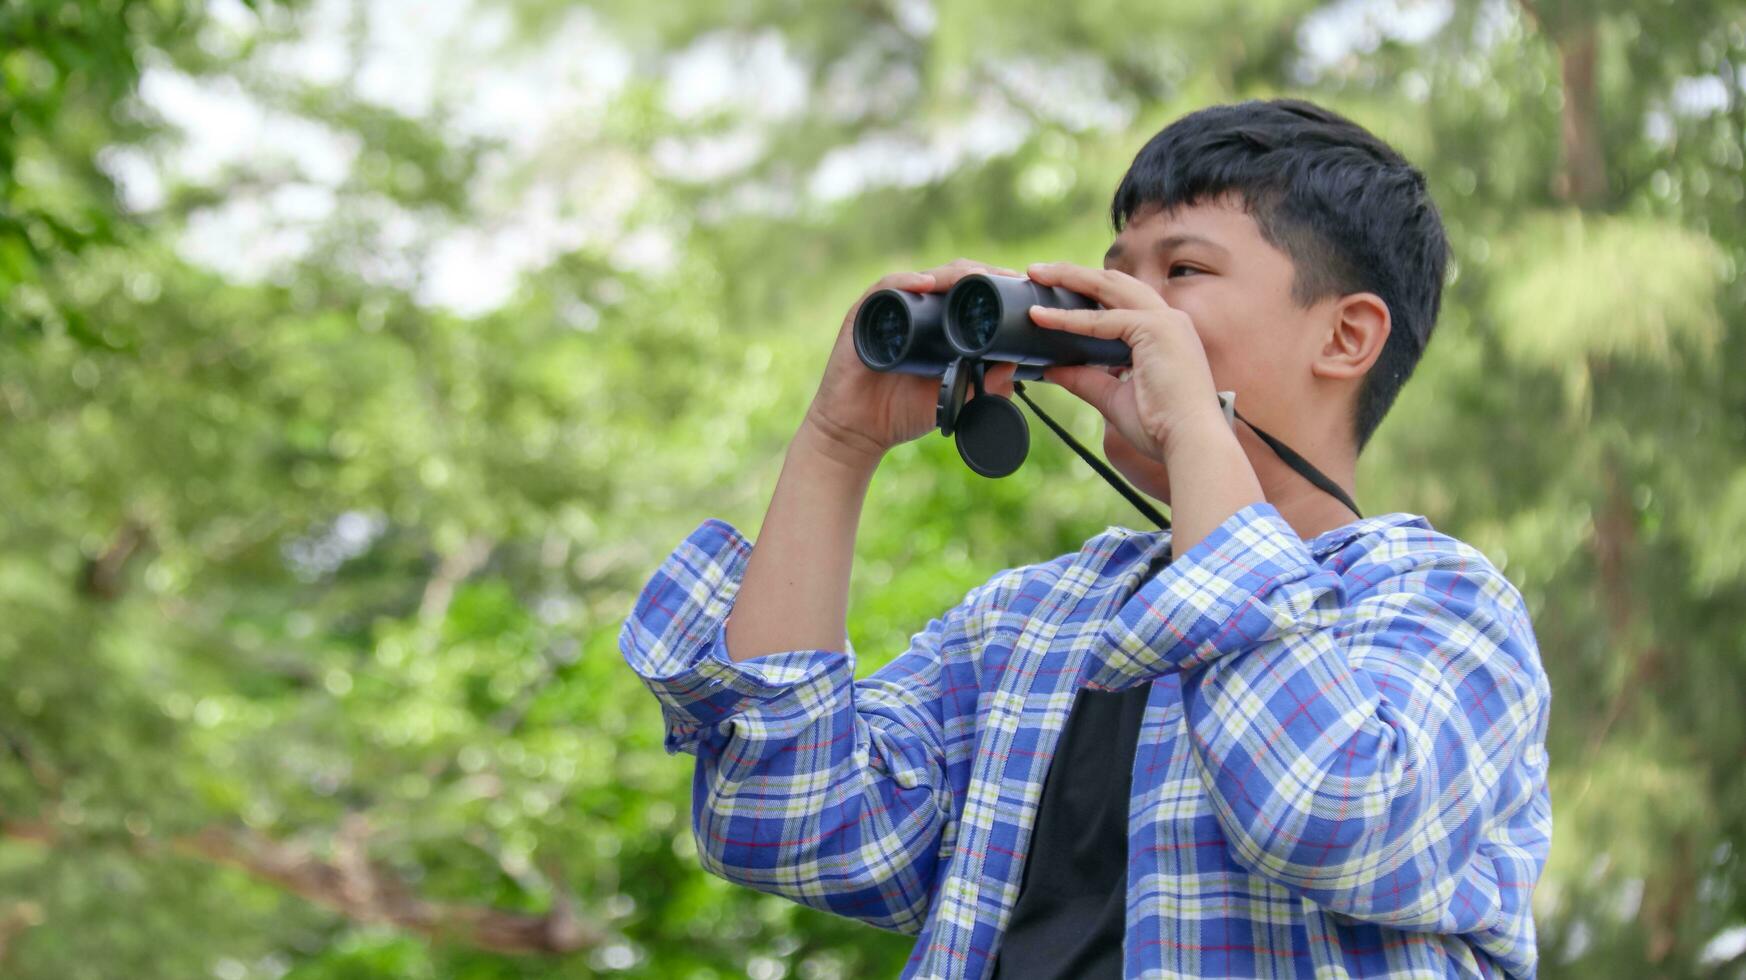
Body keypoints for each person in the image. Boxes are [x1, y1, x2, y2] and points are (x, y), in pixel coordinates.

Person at [618, 98, 1552, 979]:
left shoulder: (1442, 605)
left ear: (1347, 337)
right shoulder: (1031, 622)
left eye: (1181, 272)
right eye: (1115, 270)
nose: (1121, 308)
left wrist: (1195, 428)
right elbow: (784, 824)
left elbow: (1327, 811)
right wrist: (838, 443)